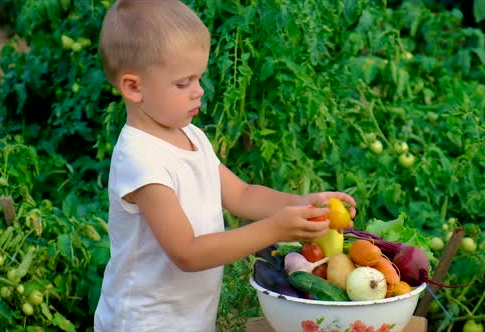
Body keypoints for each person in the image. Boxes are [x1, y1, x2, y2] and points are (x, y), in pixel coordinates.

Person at [93, 1, 357, 331]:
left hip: (188, 320)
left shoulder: (191, 136)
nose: (199, 90)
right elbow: (187, 252)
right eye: (182, 83)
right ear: (134, 87)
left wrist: (304, 203)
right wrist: (275, 228)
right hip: (144, 322)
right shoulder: (142, 161)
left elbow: (242, 195)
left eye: (199, 78)